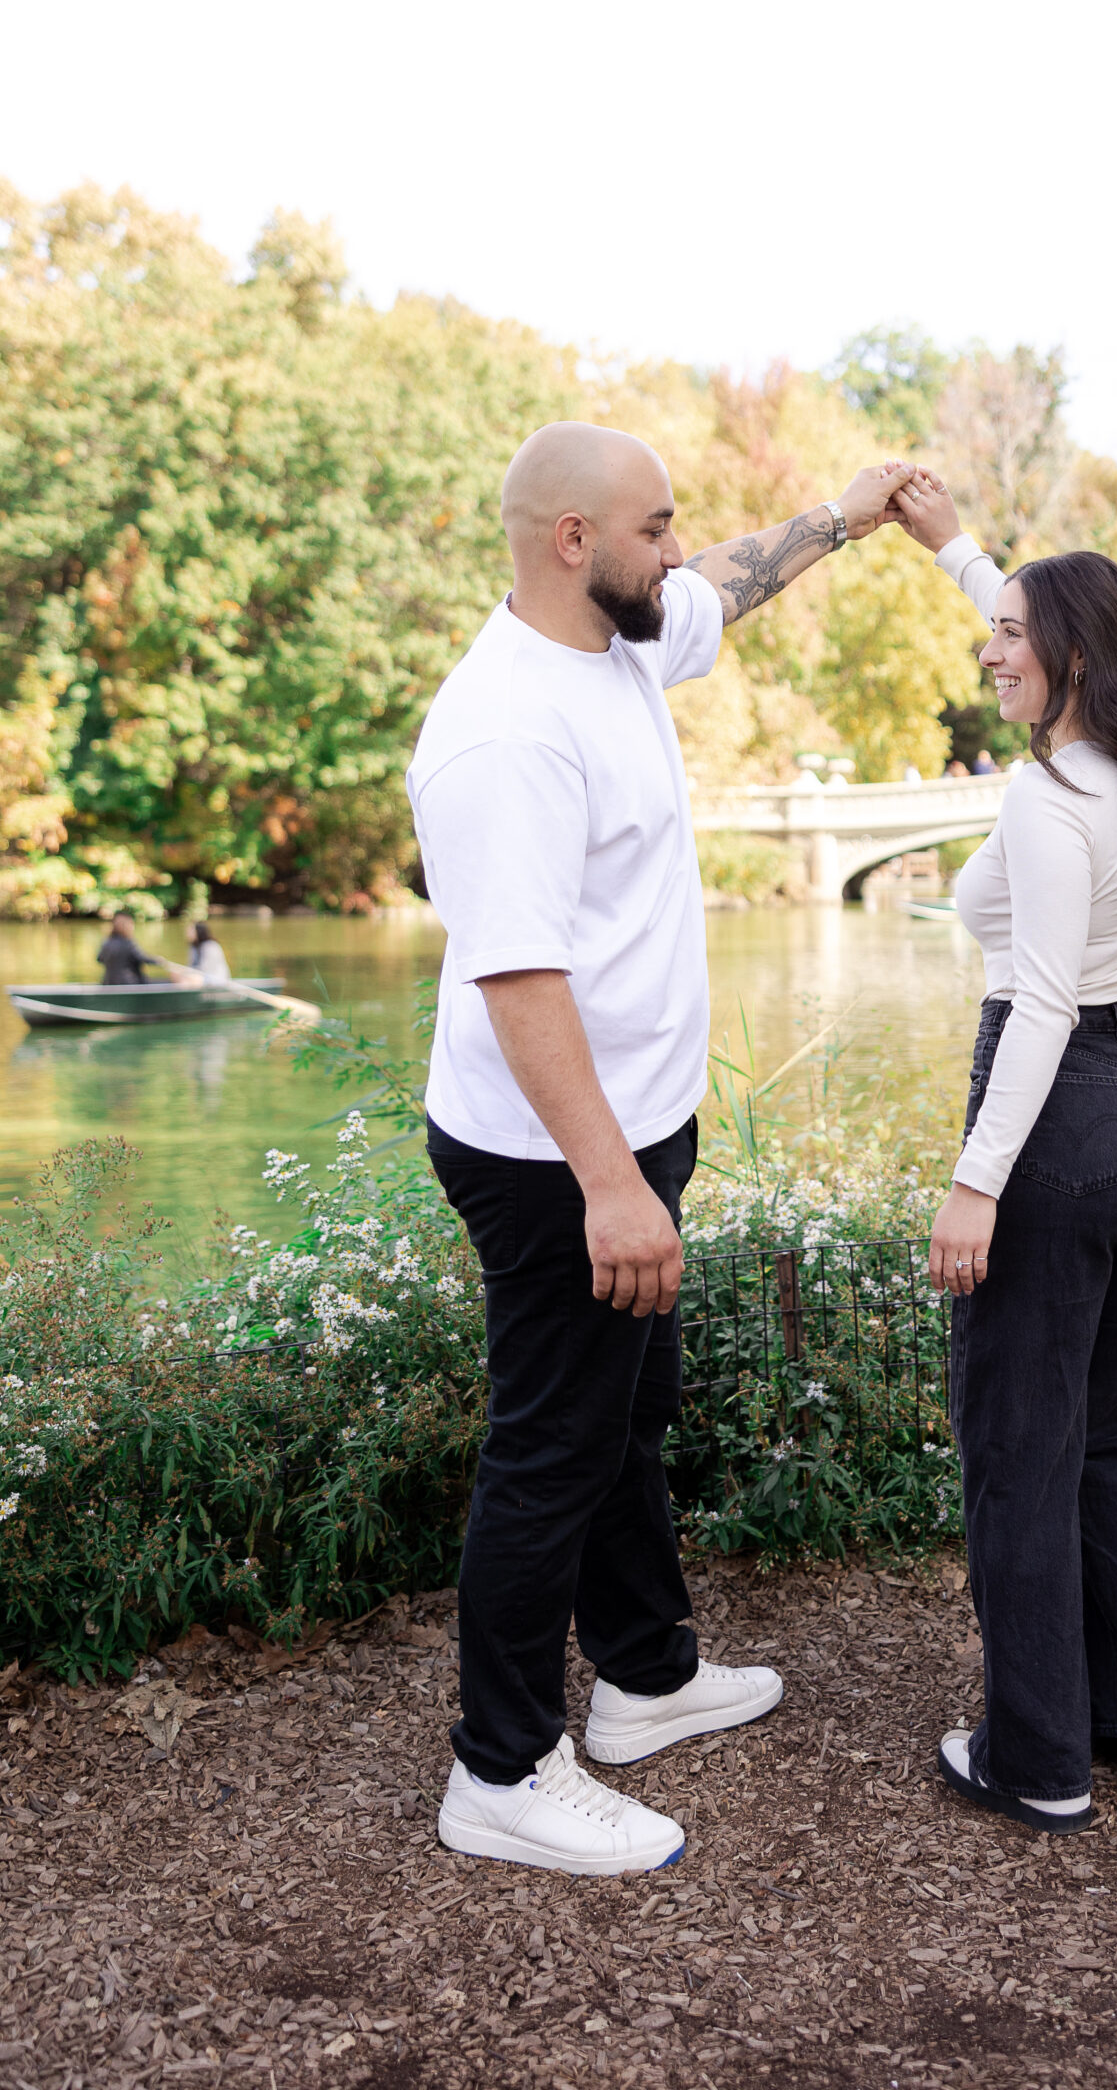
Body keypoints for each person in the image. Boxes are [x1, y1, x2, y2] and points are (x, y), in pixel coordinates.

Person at [407, 421, 913, 1876]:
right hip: (551, 1155)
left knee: (627, 1414)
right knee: (552, 1445)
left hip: (632, 1135)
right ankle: (497, 1772)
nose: (680, 548)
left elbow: (730, 589)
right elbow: (518, 982)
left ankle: (642, 1680)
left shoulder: (618, 637)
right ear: (571, 540)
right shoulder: (505, 727)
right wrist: (612, 1188)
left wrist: (848, 516)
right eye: (656, 525)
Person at [892, 470, 1117, 1836]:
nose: (987, 646)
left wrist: (973, 1183)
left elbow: (1035, 1003)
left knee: (1016, 1446)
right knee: (1101, 1435)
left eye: (1008, 637)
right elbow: (1045, 620)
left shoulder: (1045, 796)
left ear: (1071, 661)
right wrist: (956, 556)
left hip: (1064, 1119)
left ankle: (1035, 1756)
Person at [96, 911, 166, 986]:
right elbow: (142, 958)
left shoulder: (106, 942)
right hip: (130, 983)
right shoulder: (128, 943)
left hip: (108, 983)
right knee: (170, 981)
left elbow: (99, 959)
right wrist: (159, 960)